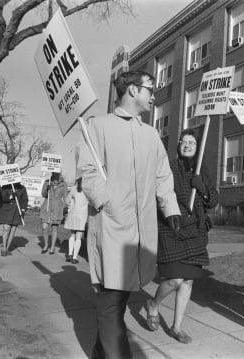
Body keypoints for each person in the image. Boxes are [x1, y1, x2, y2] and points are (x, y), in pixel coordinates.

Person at [76, 70, 181, 359]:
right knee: (110, 300)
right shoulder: (97, 126)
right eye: (150, 88)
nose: (153, 94)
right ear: (132, 90)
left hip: (141, 230)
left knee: (120, 298)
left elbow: (162, 175)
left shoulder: (150, 134)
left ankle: (101, 351)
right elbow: (87, 171)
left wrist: (169, 208)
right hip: (111, 224)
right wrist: (106, 201)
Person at [145, 129, 219, 344]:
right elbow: (159, 193)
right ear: (178, 145)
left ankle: (177, 328)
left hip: (196, 232)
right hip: (173, 228)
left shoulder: (202, 170)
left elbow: (212, 200)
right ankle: (154, 304)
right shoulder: (168, 166)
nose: (188, 145)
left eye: (192, 143)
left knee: (187, 281)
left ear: (197, 147)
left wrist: (202, 187)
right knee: (175, 279)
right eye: (184, 142)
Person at [0, 183, 28, 256]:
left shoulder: (22, 188)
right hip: (6, 210)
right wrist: (11, 196)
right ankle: (3, 248)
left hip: (17, 211)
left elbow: (25, 200)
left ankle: (7, 248)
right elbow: (2, 198)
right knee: (6, 228)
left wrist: (23, 209)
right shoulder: (5, 187)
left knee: (13, 229)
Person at [39, 172, 67, 254]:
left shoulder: (64, 184)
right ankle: (46, 245)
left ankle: (52, 247)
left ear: (59, 178)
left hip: (57, 208)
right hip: (47, 207)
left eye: (57, 180)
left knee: (54, 228)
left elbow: (65, 197)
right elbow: (43, 194)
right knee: (44, 227)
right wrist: (46, 189)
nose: (55, 182)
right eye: (54, 180)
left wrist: (66, 208)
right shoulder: (47, 182)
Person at [63, 177, 88, 264]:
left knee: (72, 235)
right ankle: (74, 257)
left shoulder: (73, 189)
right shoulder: (88, 190)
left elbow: (67, 201)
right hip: (83, 215)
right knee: (78, 237)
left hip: (73, 214)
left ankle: (69, 254)